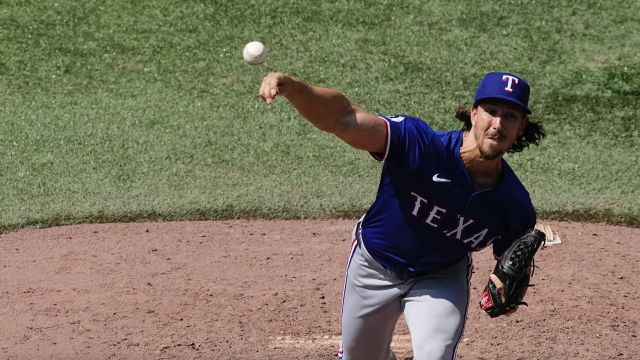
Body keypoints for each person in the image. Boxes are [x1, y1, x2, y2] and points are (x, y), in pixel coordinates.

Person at [259, 71, 546, 360]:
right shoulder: (418, 144)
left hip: (440, 277)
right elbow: (343, 118)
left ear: (521, 126)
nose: (497, 124)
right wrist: (296, 89)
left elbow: (510, 265)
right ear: (473, 114)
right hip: (374, 266)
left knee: (436, 354)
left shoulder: (515, 204)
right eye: (491, 112)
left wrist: (506, 290)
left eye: (510, 116)